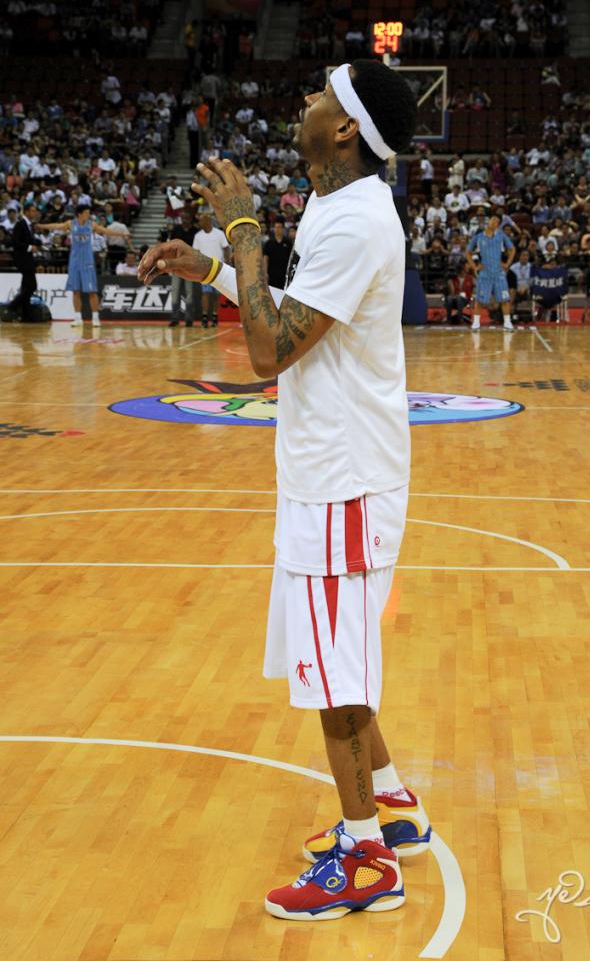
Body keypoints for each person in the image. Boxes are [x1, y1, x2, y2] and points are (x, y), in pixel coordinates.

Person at [139, 59, 430, 920]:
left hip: (343, 478)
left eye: (322, 94)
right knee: (340, 661)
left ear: (344, 128)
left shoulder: (357, 222)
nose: (306, 100)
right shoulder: (340, 207)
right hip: (331, 469)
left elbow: (268, 355)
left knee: (335, 678)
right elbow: (293, 317)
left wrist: (242, 232)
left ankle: (368, 860)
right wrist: (212, 272)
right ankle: (395, 805)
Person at [36, 206, 124, 328]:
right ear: (79, 214)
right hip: (75, 262)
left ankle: (95, 318)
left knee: (92, 291)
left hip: (87, 262)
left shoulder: (91, 225)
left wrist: (122, 234)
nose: (89, 215)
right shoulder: (71, 224)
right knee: (76, 291)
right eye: (87, 212)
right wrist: (42, 226)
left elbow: (105, 231)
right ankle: (78, 318)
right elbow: (56, 226)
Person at [466, 213, 515, 330]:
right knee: (480, 299)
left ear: (498, 224)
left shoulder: (501, 236)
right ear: (489, 221)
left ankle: (507, 322)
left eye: (497, 221)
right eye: (493, 220)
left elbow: (512, 249)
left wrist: (507, 264)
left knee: (504, 298)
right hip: (485, 273)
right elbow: (468, 252)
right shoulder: (479, 237)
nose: (494, 222)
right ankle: (476, 322)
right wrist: (474, 266)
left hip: (499, 273)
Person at [192, 211, 228, 328]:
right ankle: (204, 317)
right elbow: (195, 253)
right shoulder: (198, 236)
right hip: (205, 269)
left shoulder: (219, 234)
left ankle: (215, 315)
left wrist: (227, 263)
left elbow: (226, 248)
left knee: (216, 294)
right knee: (206, 292)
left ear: (207, 221)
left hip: (218, 268)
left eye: (201, 221)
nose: (199, 223)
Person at [9, 203, 41, 322]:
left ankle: (26, 315)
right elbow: (14, 242)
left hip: (28, 259)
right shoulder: (20, 224)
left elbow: (28, 239)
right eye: (32, 211)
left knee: (26, 287)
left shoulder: (29, 225)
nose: (35, 213)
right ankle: (13, 305)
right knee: (32, 286)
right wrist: (29, 247)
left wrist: (36, 242)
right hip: (23, 260)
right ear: (26, 212)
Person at [168, 210, 199, 327]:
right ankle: (174, 318)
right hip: (176, 265)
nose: (184, 220)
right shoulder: (176, 230)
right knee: (175, 292)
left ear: (191, 219)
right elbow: (170, 247)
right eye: (183, 218)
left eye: (187, 218)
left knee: (189, 293)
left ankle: (189, 319)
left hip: (190, 265)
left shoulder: (195, 231)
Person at [263, 220, 292, 290]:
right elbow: (265, 258)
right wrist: (265, 272)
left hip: (284, 273)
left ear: (283, 229)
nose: (277, 229)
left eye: (279, 227)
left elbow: (291, 259)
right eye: (275, 227)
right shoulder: (269, 243)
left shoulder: (288, 243)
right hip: (272, 273)